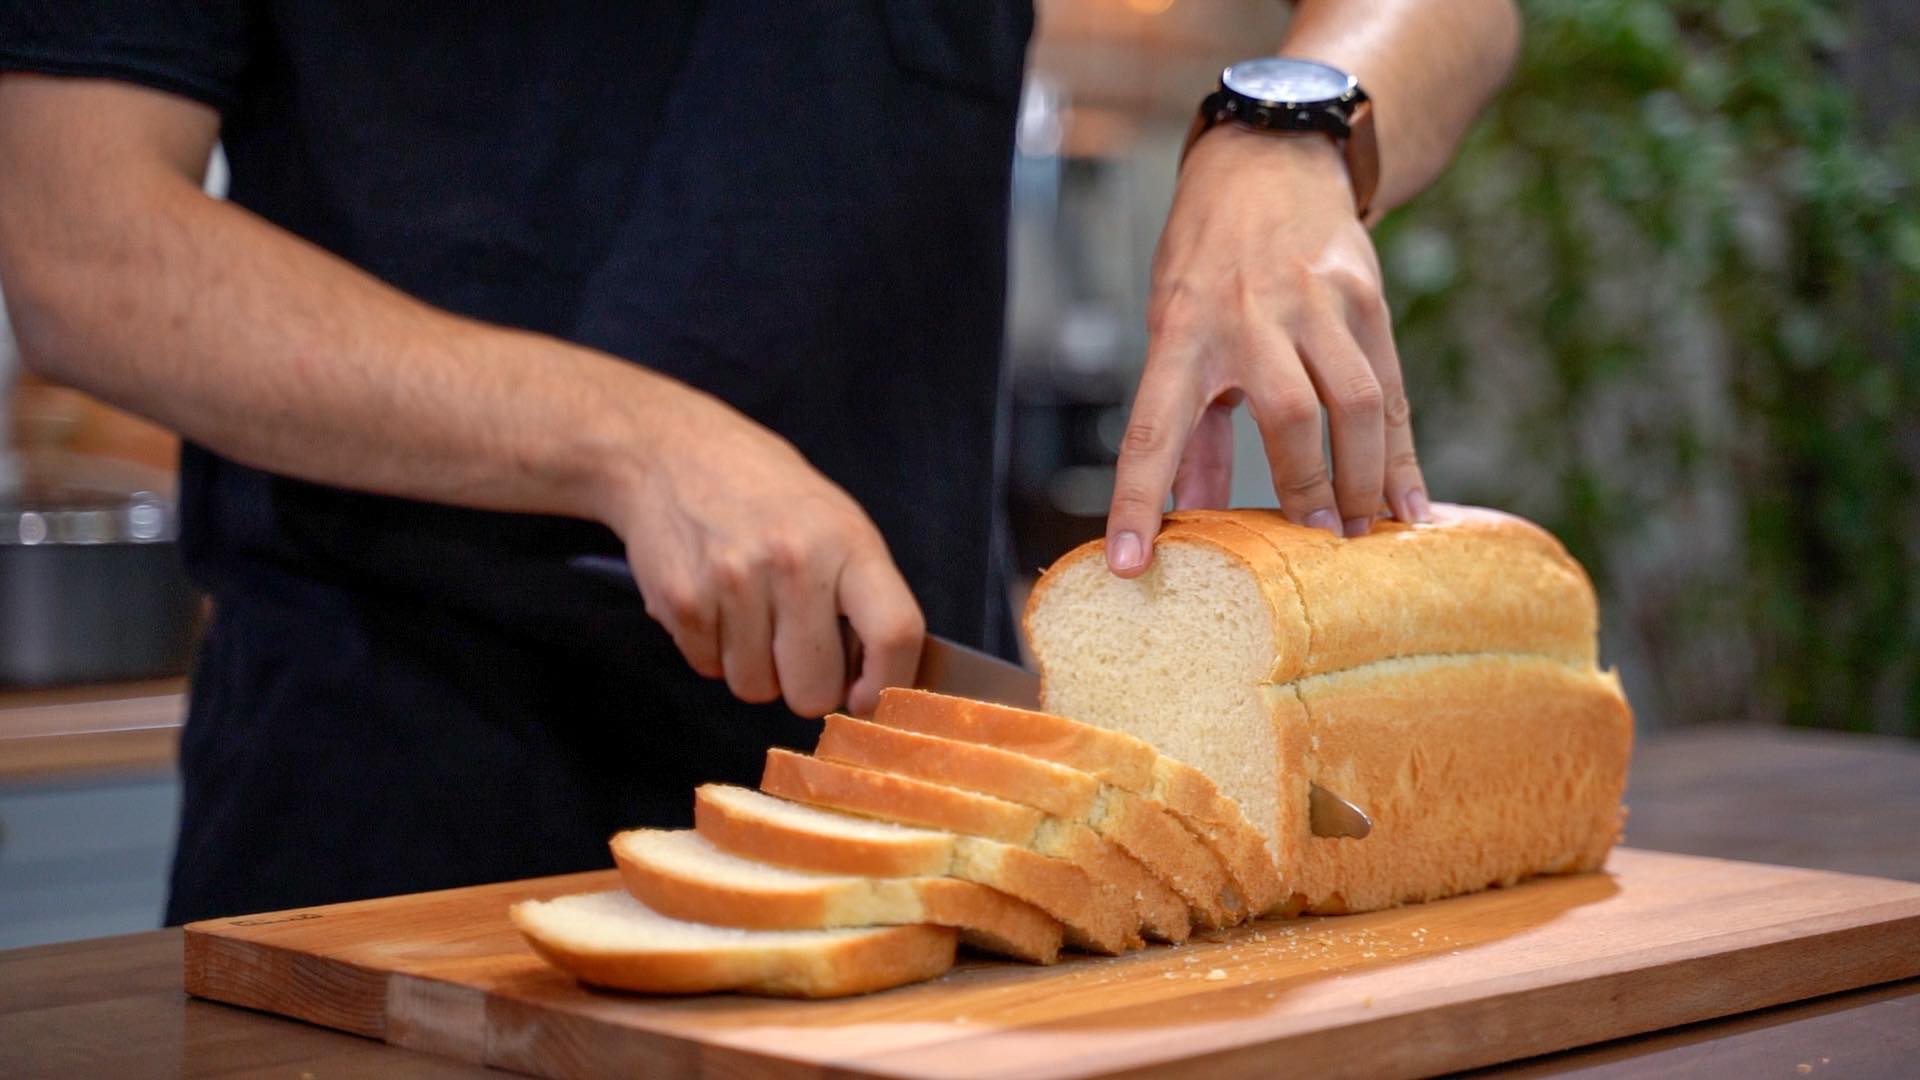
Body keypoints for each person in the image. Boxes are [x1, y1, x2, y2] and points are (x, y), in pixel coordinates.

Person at [0, 2, 1519, 923]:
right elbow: (80, 245)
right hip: (396, 825)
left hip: (931, 816)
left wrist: (1294, 127)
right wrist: (627, 439)